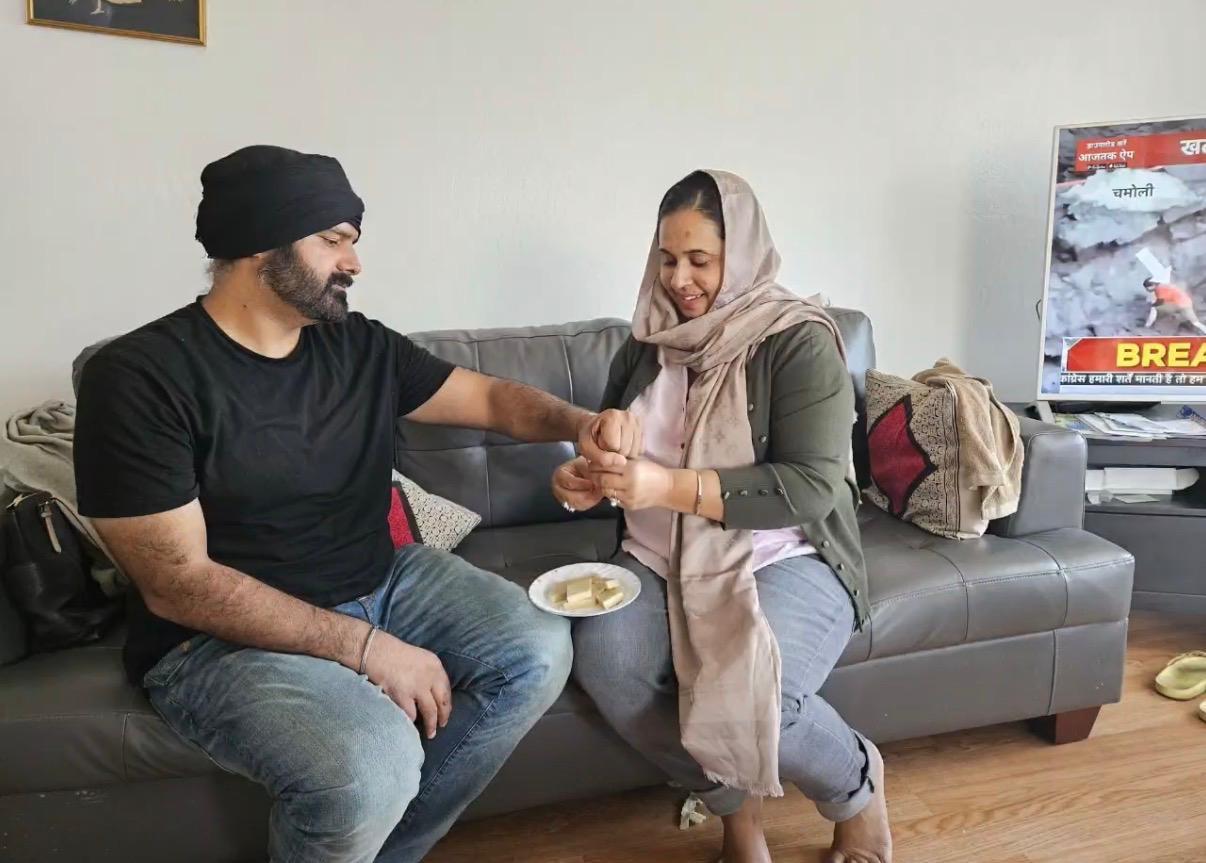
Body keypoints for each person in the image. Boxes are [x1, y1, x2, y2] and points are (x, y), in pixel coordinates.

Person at [72, 145, 641, 863]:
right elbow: (178, 582)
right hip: (215, 642)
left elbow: (493, 398)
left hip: (383, 576)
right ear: (259, 243)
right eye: (333, 239)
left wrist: (578, 424)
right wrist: (365, 647)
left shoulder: (358, 346)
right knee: (371, 764)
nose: (354, 262)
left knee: (533, 648)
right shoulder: (139, 379)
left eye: (354, 241)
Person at [554, 170, 893, 863]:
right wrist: (587, 478)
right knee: (611, 667)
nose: (679, 279)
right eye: (667, 258)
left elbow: (811, 487)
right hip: (655, 556)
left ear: (740, 254)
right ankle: (738, 818)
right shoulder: (647, 344)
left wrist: (664, 485)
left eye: (700, 260)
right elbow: (616, 455)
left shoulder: (798, 342)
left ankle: (859, 784)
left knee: (754, 694)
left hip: (784, 552)